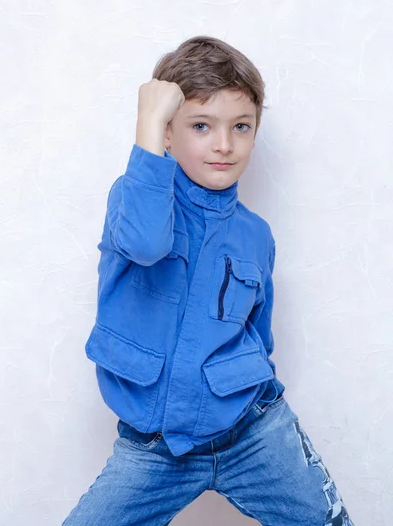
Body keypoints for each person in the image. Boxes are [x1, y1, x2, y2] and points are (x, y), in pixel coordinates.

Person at [62, 36, 354, 525]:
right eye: (201, 126)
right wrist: (149, 125)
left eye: (241, 127)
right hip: (154, 449)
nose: (224, 144)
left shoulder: (255, 235)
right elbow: (147, 243)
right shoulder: (136, 200)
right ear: (168, 136)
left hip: (252, 433)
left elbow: (258, 335)